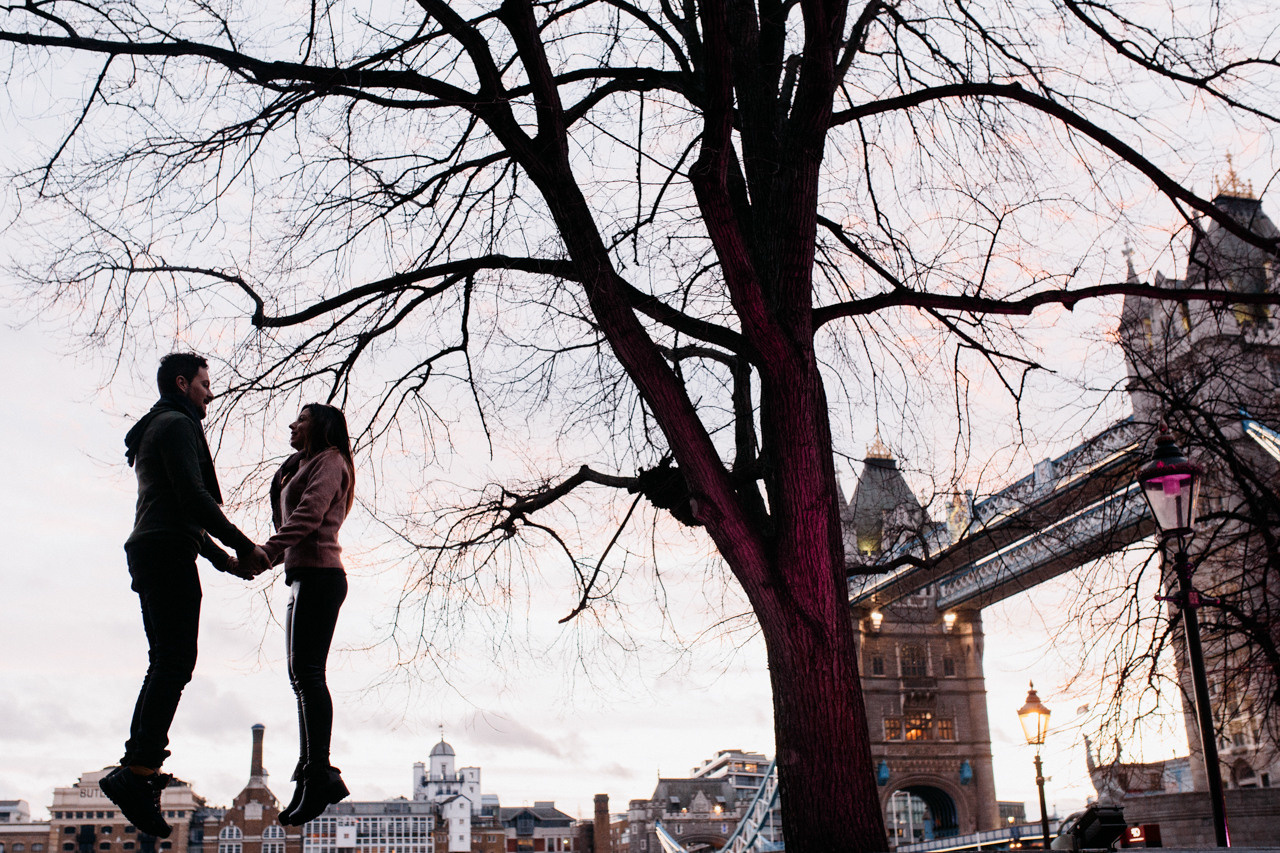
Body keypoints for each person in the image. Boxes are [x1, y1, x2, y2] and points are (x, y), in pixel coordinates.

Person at [100, 353, 270, 838]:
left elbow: (183, 514)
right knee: (174, 663)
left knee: (169, 662)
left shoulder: (163, 425)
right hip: (165, 553)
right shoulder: (175, 425)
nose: (210, 392)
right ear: (182, 382)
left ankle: (139, 771)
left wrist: (228, 564)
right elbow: (193, 500)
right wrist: (245, 545)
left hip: (161, 548)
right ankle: (135, 773)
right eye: (204, 383)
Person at [262, 403, 356, 826]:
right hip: (302, 577)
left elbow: (309, 514)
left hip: (320, 575)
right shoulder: (304, 464)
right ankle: (310, 777)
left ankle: (319, 773)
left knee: (310, 675)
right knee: (300, 677)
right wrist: (282, 476)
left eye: (300, 418)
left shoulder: (331, 460)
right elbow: (286, 511)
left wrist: (266, 552)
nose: (292, 424)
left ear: (320, 426)